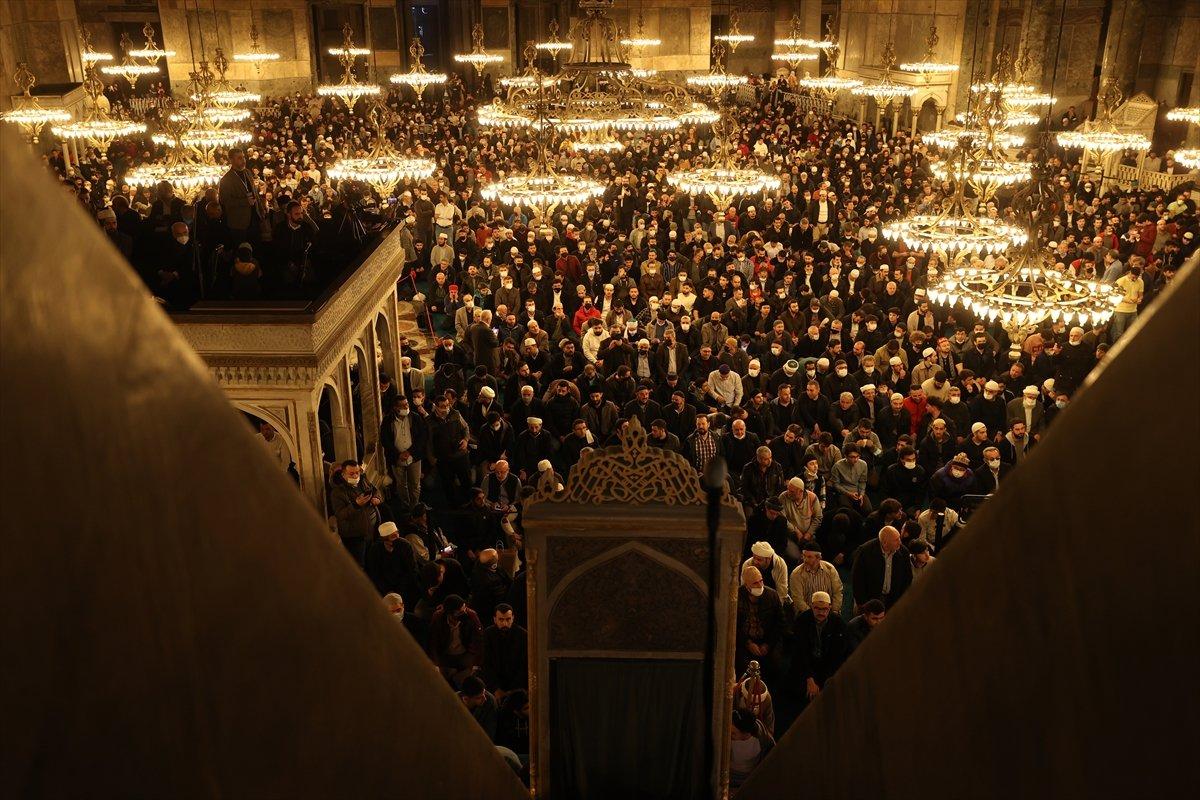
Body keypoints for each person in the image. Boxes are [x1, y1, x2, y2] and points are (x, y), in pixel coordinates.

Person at [789, 591, 849, 708]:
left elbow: (837, 655)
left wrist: (825, 681)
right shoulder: (802, 621)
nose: (821, 612)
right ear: (811, 606)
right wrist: (809, 679)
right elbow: (800, 652)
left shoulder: (838, 623)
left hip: (827, 667)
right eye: (817, 608)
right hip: (807, 665)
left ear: (830, 608)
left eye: (824, 609)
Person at [735, 565, 785, 680]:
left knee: (776, 665)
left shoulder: (772, 595)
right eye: (755, 583)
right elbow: (734, 626)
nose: (760, 585)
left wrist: (768, 644)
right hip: (745, 641)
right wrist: (748, 643)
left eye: (761, 581)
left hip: (767, 640)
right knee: (742, 666)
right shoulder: (737, 597)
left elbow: (780, 623)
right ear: (746, 585)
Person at [330, 460, 383, 566]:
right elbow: (340, 514)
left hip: (371, 532)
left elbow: (375, 490)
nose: (355, 476)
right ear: (343, 474)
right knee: (360, 566)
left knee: (372, 563)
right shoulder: (337, 492)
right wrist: (356, 505)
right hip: (355, 537)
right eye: (351, 473)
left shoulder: (363, 480)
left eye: (357, 472)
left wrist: (377, 498)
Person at [380, 395, 428, 509]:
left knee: (415, 484)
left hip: (414, 456)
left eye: (407, 404)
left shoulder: (415, 418)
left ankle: (415, 507)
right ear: (395, 408)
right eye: (402, 405)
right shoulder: (388, 421)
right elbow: (385, 440)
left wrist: (410, 452)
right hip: (397, 458)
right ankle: (406, 507)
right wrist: (398, 454)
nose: (406, 407)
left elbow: (422, 436)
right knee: (401, 485)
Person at [850, 525, 913, 611]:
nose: (900, 542)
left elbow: (907, 577)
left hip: (894, 598)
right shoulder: (865, 551)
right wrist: (862, 602)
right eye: (896, 540)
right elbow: (857, 578)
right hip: (870, 599)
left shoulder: (903, 552)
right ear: (884, 543)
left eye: (899, 538)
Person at [428, 594, 483, 688]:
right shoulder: (438, 617)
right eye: (460, 612)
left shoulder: (471, 616)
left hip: (465, 654)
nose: (464, 612)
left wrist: (475, 664)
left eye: (465, 608)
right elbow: (433, 642)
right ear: (450, 613)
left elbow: (479, 640)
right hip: (445, 655)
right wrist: (435, 664)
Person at [479, 603, 527, 701]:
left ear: (513, 618)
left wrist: (514, 690)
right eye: (501, 620)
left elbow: (525, 666)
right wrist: (496, 689)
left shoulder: (523, 635)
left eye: (508, 619)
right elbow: (486, 663)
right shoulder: (488, 634)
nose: (505, 623)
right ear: (494, 619)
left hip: (517, 685)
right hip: (494, 684)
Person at [788, 541, 844, 614]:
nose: (805, 560)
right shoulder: (796, 574)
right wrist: (814, 615)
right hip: (806, 614)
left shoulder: (830, 569)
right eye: (804, 556)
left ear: (818, 558)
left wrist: (833, 611)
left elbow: (837, 592)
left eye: (809, 557)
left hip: (829, 613)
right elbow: (798, 599)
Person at [728, 707, 775, 790]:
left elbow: (772, 755)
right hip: (729, 776)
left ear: (745, 733)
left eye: (733, 733)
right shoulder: (727, 739)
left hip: (750, 780)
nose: (730, 735)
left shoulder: (762, 738)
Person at [458, 675, 499, 741]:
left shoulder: (489, 702)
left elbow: (489, 735)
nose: (484, 698)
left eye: (484, 693)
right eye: (479, 698)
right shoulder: (454, 703)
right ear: (466, 699)